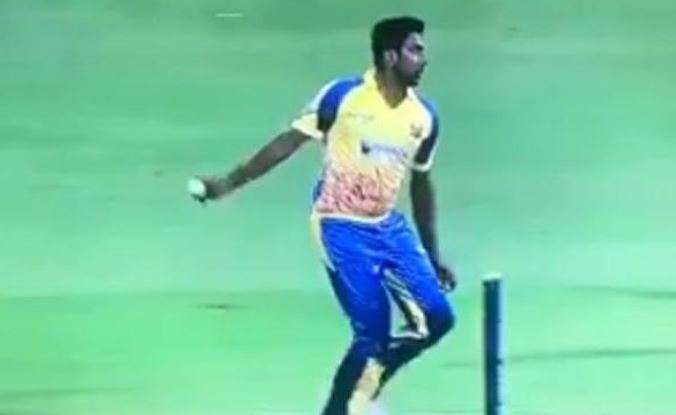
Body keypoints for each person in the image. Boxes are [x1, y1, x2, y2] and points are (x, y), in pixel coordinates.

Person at [188, 16, 457, 415]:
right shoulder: (342, 97)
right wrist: (228, 183)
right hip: (339, 224)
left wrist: (432, 255)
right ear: (389, 56)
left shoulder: (424, 117)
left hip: (387, 227)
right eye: (415, 51)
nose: (424, 59)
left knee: (438, 319)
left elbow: (421, 185)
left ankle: (369, 380)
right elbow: (286, 144)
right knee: (372, 331)